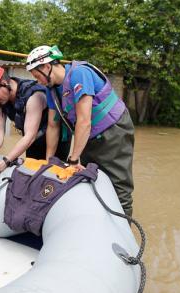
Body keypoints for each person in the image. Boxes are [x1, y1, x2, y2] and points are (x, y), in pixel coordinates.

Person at [26, 45, 135, 216]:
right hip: (89, 136)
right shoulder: (52, 90)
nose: (37, 81)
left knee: (118, 187)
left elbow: (84, 121)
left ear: (47, 67)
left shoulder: (79, 74)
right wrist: (49, 161)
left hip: (113, 131)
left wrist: (73, 159)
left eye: (36, 75)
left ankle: (124, 230)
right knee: (87, 177)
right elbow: (53, 126)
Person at [0, 64, 71, 174]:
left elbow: (30, 135)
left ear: (4, 83)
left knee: (53, 175)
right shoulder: (2, 99)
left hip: (55, 140)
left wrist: (6, 161)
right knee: (31, 173)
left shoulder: (33, 96)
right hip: (34, 141)